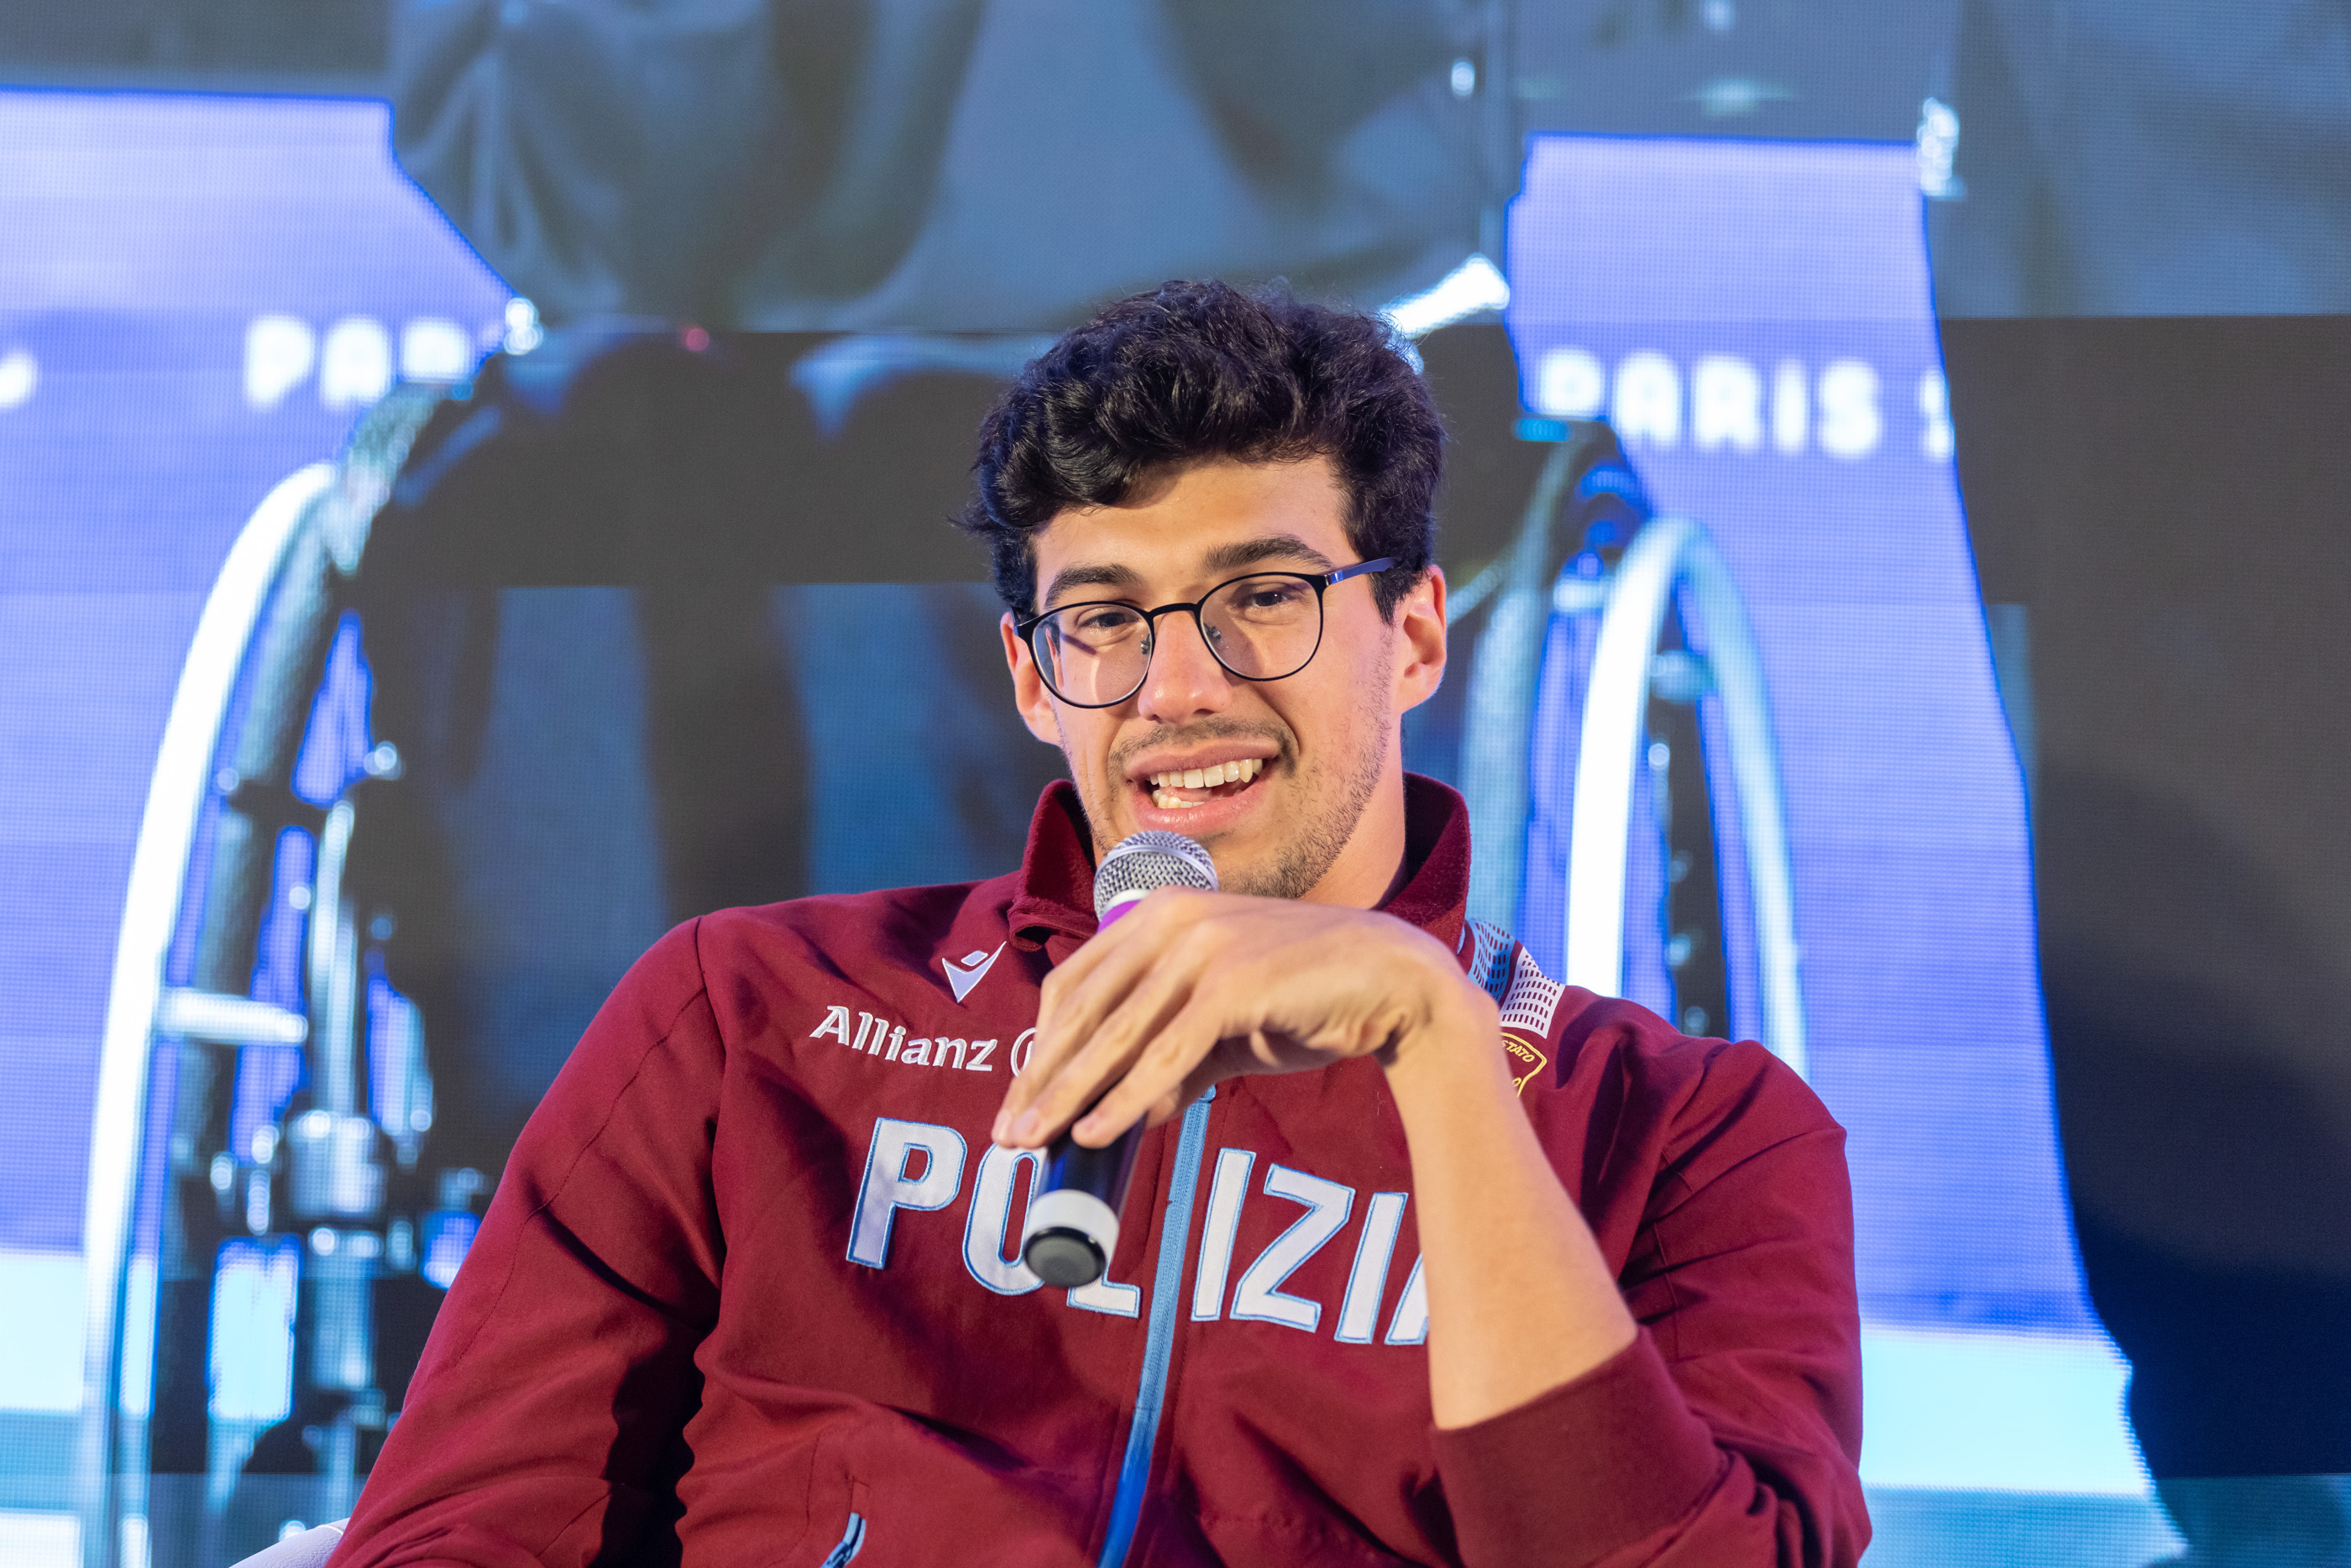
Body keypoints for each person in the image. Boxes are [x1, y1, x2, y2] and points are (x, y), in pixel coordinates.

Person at [333, 281, 1867, 1566]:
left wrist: (1436, 1044)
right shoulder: (749, 1017)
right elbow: (457, 1534)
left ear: (1412, 635)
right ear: (1030, 676)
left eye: (1264, 596)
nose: (1178, 688)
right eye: (1107, 620)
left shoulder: (1696, 1133)